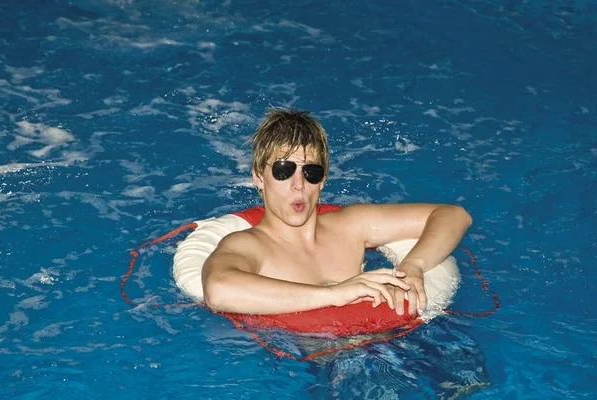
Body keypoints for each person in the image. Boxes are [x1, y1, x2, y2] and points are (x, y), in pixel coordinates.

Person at [202, 108, 472, 316]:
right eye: (283, 171)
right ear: (259, 177)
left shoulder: (351, 226)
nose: (299, 185)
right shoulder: (248, 245)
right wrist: (333, 294)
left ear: (323, 180)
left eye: (311, 172)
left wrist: (413, 266)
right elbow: (218, 289)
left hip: (398, 339)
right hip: (318, 358)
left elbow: (454, 215)